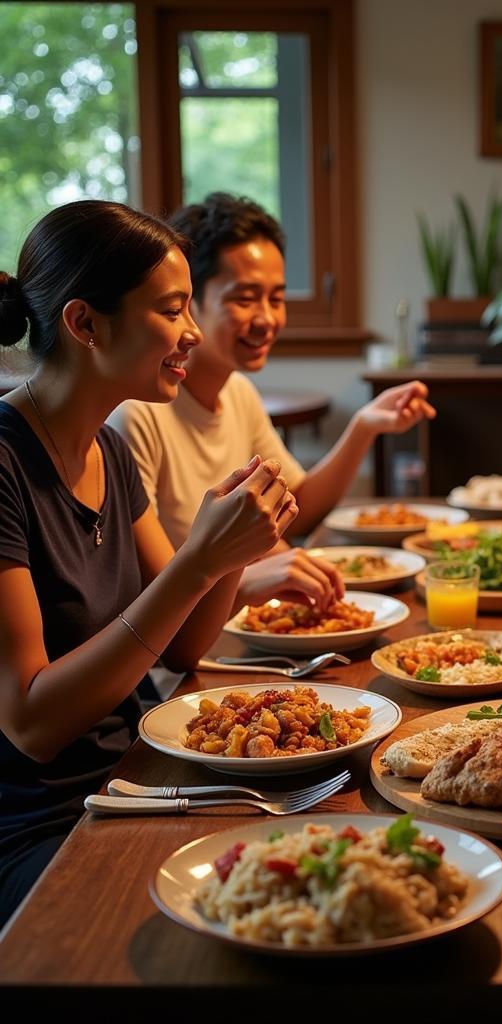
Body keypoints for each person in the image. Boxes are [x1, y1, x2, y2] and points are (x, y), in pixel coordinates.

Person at [0, 200, 297, 925]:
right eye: (172, 311)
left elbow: (190, 641)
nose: (193, 334)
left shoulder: (108, 447)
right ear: (85, 324)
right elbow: (30, 721)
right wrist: (199, 562)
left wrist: (231, 550)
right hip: (43, 828)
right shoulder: (5, 463)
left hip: (137, 779)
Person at [110, 192, 435, 610]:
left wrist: (364, 427)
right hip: (184, 650)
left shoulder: (237, 391)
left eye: (277, 298)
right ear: (189, 298)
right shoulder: (137, 414)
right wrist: (246, 580)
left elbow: (300, 504)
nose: (266, 319)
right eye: (244, 299)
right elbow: (148, 596)